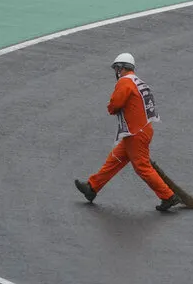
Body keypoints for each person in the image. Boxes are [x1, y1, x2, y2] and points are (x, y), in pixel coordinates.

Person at [74, 52, 181, 212]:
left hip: (136, 132)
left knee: (142, 167)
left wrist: (111, 107)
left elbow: (115, 104)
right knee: (115, 159)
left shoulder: (125, 82)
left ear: (121, 68)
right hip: (140, 130)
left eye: (117, 68)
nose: (116, 72)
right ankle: (92, 188)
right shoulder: (139, 82)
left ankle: (168, 196)